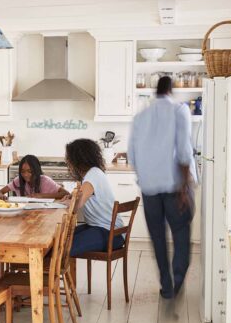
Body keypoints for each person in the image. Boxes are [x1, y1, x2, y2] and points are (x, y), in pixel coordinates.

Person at [128, 76, 195, 299]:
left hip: (149, 190)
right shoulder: (179, 111)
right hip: (174, 187)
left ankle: (166, 285)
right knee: (181, 234)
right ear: (170, 90)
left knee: (157, 238)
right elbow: (184, 152)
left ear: (155, 91)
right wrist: (185, 187)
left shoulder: (139, 118)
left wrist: (145, 176)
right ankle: (176, 281)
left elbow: (132, 156)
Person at [65, 139, 125, 256]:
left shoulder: (93, 174)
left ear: (78, 159)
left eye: (69, 158)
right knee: (60, 240)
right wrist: (70, 198)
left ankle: (52, 273)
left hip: (111, 233)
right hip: (99, 227)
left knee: (63, 247)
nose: (67, 161)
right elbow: (80, 198)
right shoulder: (92, 174)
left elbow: (76, 205)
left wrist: (64, 202)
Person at [0, 154, 68, 199]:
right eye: (23, 171)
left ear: (36, 171)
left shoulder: (45, 180)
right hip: (23, 216)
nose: (25, 175)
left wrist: (41, 196)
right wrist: (0, 195)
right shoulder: (18, 181)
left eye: (30, 171)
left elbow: (66, 193)